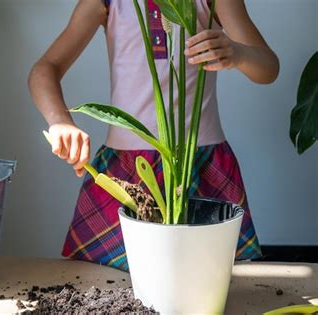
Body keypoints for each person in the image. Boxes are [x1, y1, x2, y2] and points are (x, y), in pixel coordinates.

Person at [28, 0, 279, 271]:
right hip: (124, 173)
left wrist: (238, 53)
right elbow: (45, 69)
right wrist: (61, 122)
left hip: (198, 167)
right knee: (102, 285)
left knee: (206, 283)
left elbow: (268, 67)